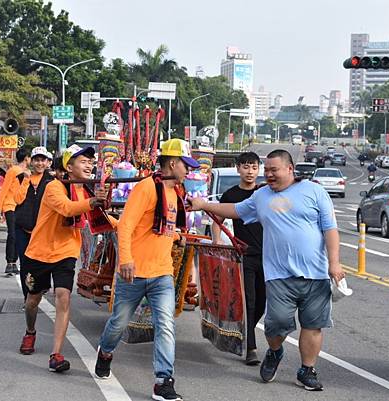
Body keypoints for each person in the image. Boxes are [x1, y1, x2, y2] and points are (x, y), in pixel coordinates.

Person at [189, 149, 344, 392]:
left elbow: (330, 229)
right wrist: (203, 204)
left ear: (290, 169)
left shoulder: (315, 192)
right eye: (267, 170)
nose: (269, 174)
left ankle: (307, 370)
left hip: (315, 274)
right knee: (276, 325)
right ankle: (274, 351)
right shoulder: (261, 197)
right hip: (279, 276)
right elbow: (236, 210)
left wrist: (334, 263)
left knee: (313, 325)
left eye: (274, 170)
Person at [95, 138, 199, 401]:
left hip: (162, 274)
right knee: (118, 324)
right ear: (172, 163)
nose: (189, 171)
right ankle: (105, 352)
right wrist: (126, 260)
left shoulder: (175, 194)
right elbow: (126, 226)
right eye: (186, 165)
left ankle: (163, 380)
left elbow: (163, 228)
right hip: (134, 273)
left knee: (165, 325)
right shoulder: (145, 189)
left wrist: (178, 236)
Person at [19, 144, 106, 373]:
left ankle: (56, 354)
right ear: (68, 167)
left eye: (91, 161)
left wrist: (126, 225)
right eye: (83, 161)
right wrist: (92, 202)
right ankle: (30, 331)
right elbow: (68, 209)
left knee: (63, 296)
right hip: (39, 251)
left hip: (66, 251)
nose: (89, 165)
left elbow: (101, 219)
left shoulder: (85, 190)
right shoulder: (53, 187)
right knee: (32, 301)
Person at [212, 151, 265, 366]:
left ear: (258, 169)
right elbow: (218, 219)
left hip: (270, 257)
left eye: (253, 167)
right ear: (238, 169)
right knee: (249, 302)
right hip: (245, 256)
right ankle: (251, 348)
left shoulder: (265, 193)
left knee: (263, 302)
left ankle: (245, 330)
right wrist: (218, 241)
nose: (250, 171)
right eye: (245, 167)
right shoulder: (231, 195)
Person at [13, 147, 54, 299]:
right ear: (31, 161)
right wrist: (25, 180)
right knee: (25, 263)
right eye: (36, 159)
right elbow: (17, 199)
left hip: (43, 229)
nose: (39, 163)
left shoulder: (52, 180)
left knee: (44, 261)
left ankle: (42, 287)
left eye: (42, 160)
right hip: (22, 227)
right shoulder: (21, 178)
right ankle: (27, 296)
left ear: (47, 162)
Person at [0, 148, 30, 276]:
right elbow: (4, 189)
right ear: (26, 158)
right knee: (12, 234)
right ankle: (10, 262)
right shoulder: (13, 171)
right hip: (10, 205)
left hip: (20, 207)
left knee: (17, 234)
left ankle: (14, 263)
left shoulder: (27, 173)